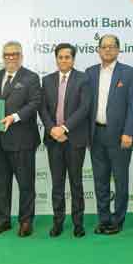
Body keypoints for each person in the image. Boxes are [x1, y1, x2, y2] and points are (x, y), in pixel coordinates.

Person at [0, 41, 42, 237]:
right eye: (7, 54)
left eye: (14, 54)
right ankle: (3, 220)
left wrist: (14, 117)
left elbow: (35, 103)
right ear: (3, 57)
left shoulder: (31, 77)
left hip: (22, 139)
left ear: (21, 56)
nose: (10, 58)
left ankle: (26, 221)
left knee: (25, 184)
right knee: (0, 183)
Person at [86, 34, 133, 235]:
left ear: (118, 49)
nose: (107, 50)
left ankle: (118, 220)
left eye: (112, 46)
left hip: (120, 137)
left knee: (120, 180)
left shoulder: (128, 73)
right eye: (104, 46)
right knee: (100, 181)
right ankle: (104, 219)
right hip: (96, 134)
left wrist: (128, 132)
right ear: (98, 50)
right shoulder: (90, 72)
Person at [39, 43, 92, 237]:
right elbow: (42, 108)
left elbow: (84, 108)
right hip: (53, 139)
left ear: (73, 59)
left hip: (74, 139)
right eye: (60, 57)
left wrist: (64, 128)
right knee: (57, 183)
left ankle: (78, 223)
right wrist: (52, 129)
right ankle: (58, 222)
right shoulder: (47, 80)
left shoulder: (83, 79)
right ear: (56, 59)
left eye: (67, 57)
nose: (63, 60)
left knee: (76, 183)